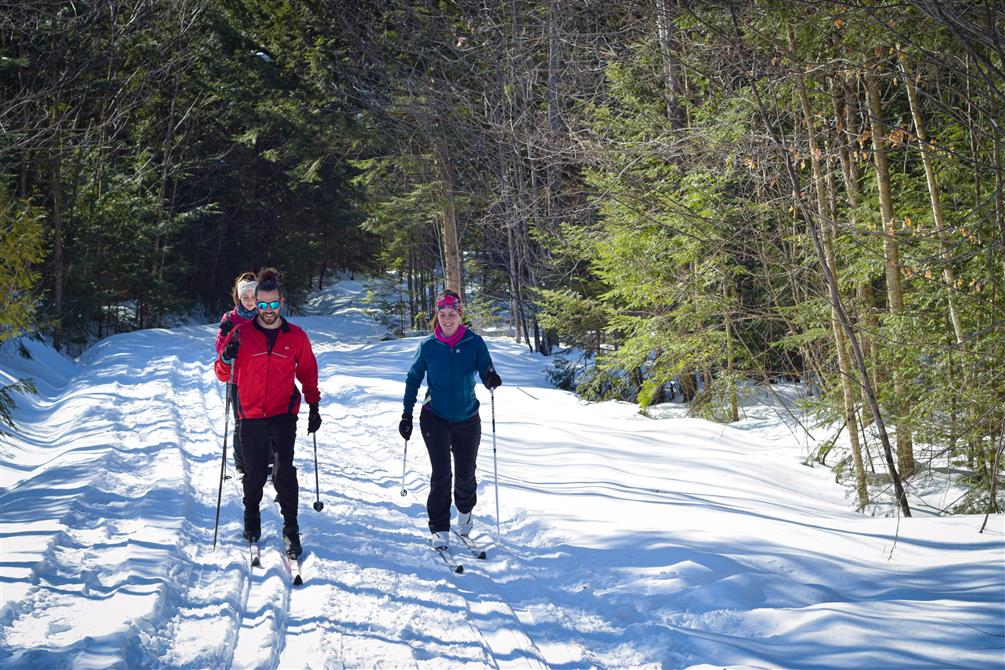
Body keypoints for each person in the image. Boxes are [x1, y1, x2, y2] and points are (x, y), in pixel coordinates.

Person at [215, 267, 322, 559]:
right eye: (262, 305)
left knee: (284, 468)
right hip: (250, 412)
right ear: (255, 305)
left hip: (283, 411)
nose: (268, 310)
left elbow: (308, 371)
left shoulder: (296, 336)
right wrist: (227, 355)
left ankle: (291, 526)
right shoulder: (242, 334)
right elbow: (222, 374)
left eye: (273, 304)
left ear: (282, 302)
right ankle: (252, 514)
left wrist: (313, 404)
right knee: (253, 471)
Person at [399, 289, 502, 550]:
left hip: (468, 418)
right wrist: (406, 413)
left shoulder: (474, 343)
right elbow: (413, 379)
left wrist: (491, 377)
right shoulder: (428, 346)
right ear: (437, 315)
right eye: (442, 314)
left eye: (452, 314)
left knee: (466, 474)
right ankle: (439, 527)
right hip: (435, 417)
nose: (447, 319)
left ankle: (465, 511)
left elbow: (485, 369)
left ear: (460, 314)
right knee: (442, 473)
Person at [215, 271, 258, 475]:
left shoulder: (264, 316)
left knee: (262, 420)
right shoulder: (230, 317)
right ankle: (241, 464)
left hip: (260, 376)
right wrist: (225, 334)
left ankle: (264, 462)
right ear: (239, 298)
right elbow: (219, 349)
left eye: (253, 297)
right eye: (245, 297)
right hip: (237, 378)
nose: (250, 301)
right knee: (241, 421)